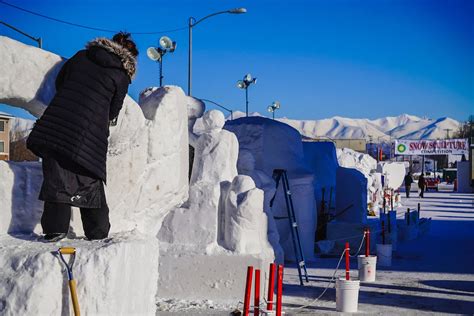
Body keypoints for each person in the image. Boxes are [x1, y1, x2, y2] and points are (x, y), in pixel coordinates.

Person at [27, 32, 138, 242]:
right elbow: (113, 111)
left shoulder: (81, 56)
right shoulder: (121, 76)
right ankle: (97, 232)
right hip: (88, 135)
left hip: (57, 125)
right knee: (89, 178)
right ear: (129, 58)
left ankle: (55, 230)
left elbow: (61, 81)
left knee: (57, 176)